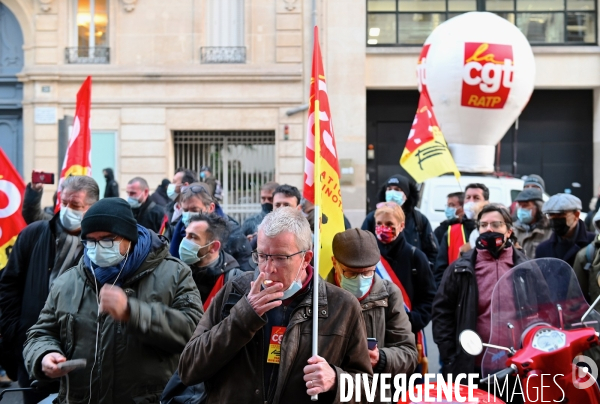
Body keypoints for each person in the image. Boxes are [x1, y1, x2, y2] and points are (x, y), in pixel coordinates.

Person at [178, 207, 372, 403]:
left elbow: (367, 388)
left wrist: (336, 381)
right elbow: (188, 369)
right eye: (262, 256)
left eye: (281, 258)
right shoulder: (235, 290)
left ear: (306, 259)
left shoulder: (341, 305)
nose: (268, 268)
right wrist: (242, 318)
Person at [22, 198, 203, 404]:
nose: (98, 247)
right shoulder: (69, 281)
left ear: (129, 237)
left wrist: (132, 312)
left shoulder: (174, 274)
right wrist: (45, 354)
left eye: (108, 239)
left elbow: (194, 333)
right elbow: (40, 333)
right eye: (91, 241)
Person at [0, 176, 99, 404]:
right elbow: (9, 284)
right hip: (31, 347)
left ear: (92, 208)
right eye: (63, 202)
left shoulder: (101, 244)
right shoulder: (35, 233)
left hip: (80, 355)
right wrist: (16, 331)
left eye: (75, 206)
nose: (66, 209)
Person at [432, 204, 528, 378]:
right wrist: (451, 357)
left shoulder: (526, 269)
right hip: (472, 366)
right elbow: (442, 313)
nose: (489, 229)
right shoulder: (460, 269)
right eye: (483, 225)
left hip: (516, 367)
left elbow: (542, 311)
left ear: (509, 231)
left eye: (496, 225)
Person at [162, 213, 247, 404]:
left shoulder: (235, 282)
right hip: (174, 375)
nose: (185, 242)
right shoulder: (173, 273)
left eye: (193, 237)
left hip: (210, 382)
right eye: (186, 235)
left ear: (213, 247)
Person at [332, 228, 418, 377]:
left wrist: (381, 359)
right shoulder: (319, 295)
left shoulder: (389, 294)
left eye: (367, 273)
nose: (360, 280)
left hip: (373, 392)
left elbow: (409, 353)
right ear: (335, 263)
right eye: (351, 273)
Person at [373, 204, 435, 373]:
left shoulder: (416, 257)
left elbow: (429, 298)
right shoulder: (369, 256)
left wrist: (411, 320)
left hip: (408, 336)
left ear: (401, 226)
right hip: (376, 336)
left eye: (390, 224)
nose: (383, 228)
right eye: (379, 223)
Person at [169, 183, 252, 271]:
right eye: (185, 210)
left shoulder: (231, 232)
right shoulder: (176, 229)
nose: (189, 215)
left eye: (194, 210)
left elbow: (246, 268)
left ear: (211, 207)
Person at [362, 174, 438, 265]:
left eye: (397, 190)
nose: (392, 193)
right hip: (381, 272)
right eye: (389, 189)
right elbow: (362, 246)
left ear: (406, 195)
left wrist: (425, 267)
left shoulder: (419, 219)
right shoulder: (373, 218)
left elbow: (433, 251)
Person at [432, 184, 485, 287]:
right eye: (468, 197)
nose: (471, 201)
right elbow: (440, 270)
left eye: (476, 198)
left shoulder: (492, 230)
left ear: (485, 202)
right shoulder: (451, 231)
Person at [536, 193, 595, 267]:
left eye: (560, 214)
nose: (554, 219)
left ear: (576, 215)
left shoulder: (593, 243)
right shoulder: (543, 249)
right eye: (551, 215)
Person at [512, 188, 552, 258]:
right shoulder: (513, 230)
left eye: (525, 205)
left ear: (538, 207)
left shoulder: (549, 231)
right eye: (519, 205)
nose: (521, 209)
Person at [164, 168, 198, 240]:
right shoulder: (168, 208)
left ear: (185, 186)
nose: (170, 185)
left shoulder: (192, 213)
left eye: (174, 182)